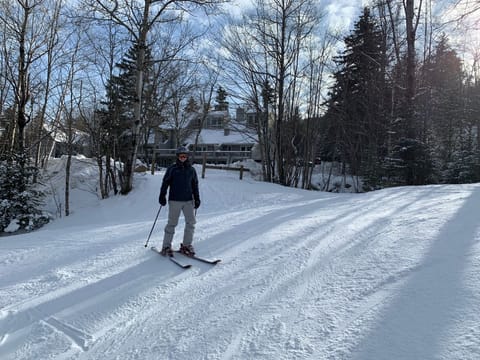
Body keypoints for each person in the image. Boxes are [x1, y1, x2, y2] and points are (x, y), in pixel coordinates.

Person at [158, 146, 201, 257]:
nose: (183, 158)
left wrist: (197, 198)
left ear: (187, 157)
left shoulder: (191, 170)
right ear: (177, 157)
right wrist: (162, 196)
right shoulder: (172, 169)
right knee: (172, 223)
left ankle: (186, 245)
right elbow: (165, 183)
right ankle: (166, 246)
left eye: (185, 156)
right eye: (181, 156)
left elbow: (195, 185)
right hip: (175, 200)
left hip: (188, 201)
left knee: (191, 223)